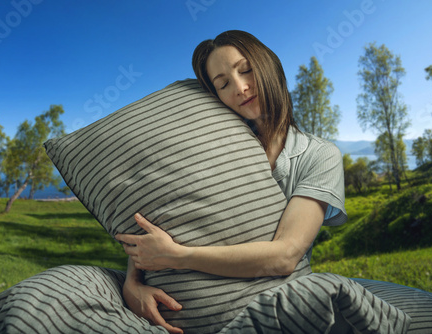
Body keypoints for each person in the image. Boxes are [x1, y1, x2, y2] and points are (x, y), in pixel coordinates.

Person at [115, 30, 347, 334]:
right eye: (223, 83)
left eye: (246, 69)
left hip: (274, 304)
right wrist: (133, 286)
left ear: (270, 67)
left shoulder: (319, 155)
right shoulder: (207, 146)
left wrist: (179, 257)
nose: (240, 88)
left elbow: (285, 256)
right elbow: (166, 210)